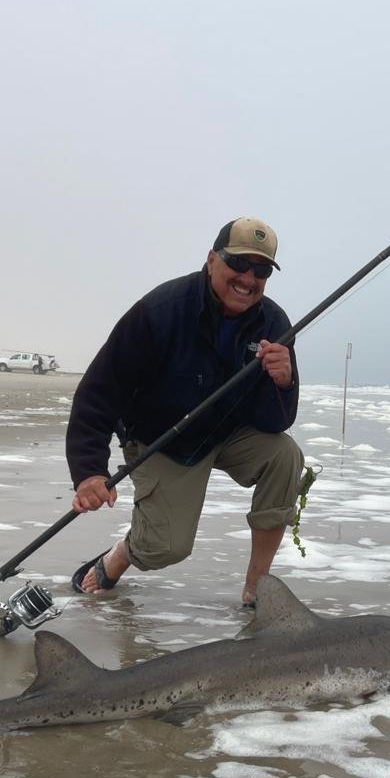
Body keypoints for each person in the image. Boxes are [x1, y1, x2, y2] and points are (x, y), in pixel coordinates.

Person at [66, 217, 304, 606]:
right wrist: (90, 471)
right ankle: (119, 555)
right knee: (166, 549)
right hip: (163, 441)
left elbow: (276, 423)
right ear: (211, 259)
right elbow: (98, 393)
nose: (249, 277)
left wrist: (283, 384)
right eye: (239, 263)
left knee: (286, 455)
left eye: (261, 270)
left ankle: (256, 590)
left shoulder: (274, 323)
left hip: (227, 434)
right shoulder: (159, 311)